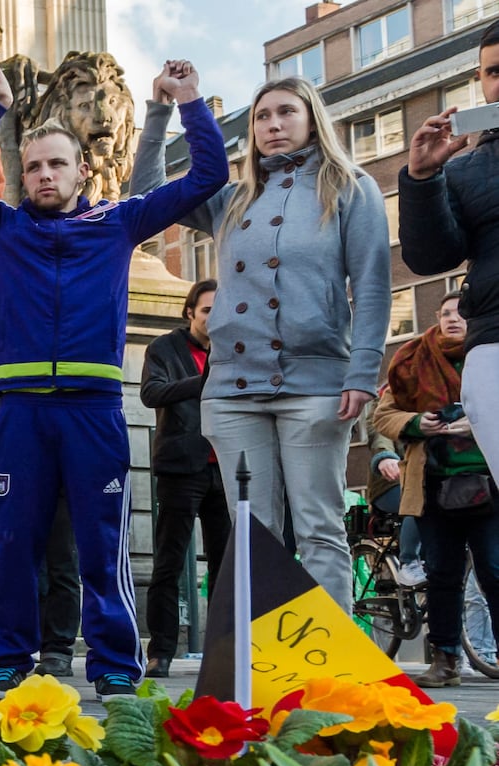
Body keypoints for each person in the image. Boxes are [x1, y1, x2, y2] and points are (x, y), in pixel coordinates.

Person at [0, 59, 227, 696]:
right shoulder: (1, 225)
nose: (45, 175)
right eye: (34, 166)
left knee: (104, 543)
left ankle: (115, 663)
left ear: (82, 172)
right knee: (13, 542)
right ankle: (9, 653)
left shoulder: (119, 222)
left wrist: (186, 101)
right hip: (20, 411)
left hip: (93, 410)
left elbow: (209, 174)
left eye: (57, 164)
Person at [132, 74, 389, 611]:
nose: (273, 125)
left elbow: (371, 284)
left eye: (286, 112)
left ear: (312, 118)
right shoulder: (232, 198)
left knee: (319, 529)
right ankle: (263, 658)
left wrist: (363, 372)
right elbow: (147, 199)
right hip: (233, 389)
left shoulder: (350, 187)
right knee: (253, 536)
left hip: (316, 384)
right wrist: (159, 111)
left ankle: (330, 659)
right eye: (262, 116)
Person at [373, 293, 499, 686]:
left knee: (494, 570)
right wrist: (416, 424)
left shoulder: (489, 357)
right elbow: (383, 415)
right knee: (441, 574)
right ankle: (445, 661)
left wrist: (478, 423)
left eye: (461, 312)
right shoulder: (412, 359)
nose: (453, 319)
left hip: (489, 485)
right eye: (445, 313)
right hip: (431, 485)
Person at [402, 24, 499, 490]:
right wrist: (422, 179)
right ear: (480, 81)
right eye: (494, 72)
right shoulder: (464, 169)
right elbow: (428, 258)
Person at [138, 279, 229, 678]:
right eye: (207, 310)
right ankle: (161, 651)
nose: (214, 317)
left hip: (226, 467)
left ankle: (224, 650)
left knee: (226, 566)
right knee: (169, 562)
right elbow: (151, 393)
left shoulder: (234, 349)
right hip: (181, 466)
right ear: (190, 312)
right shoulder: (164, 348)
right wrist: (204, 381)